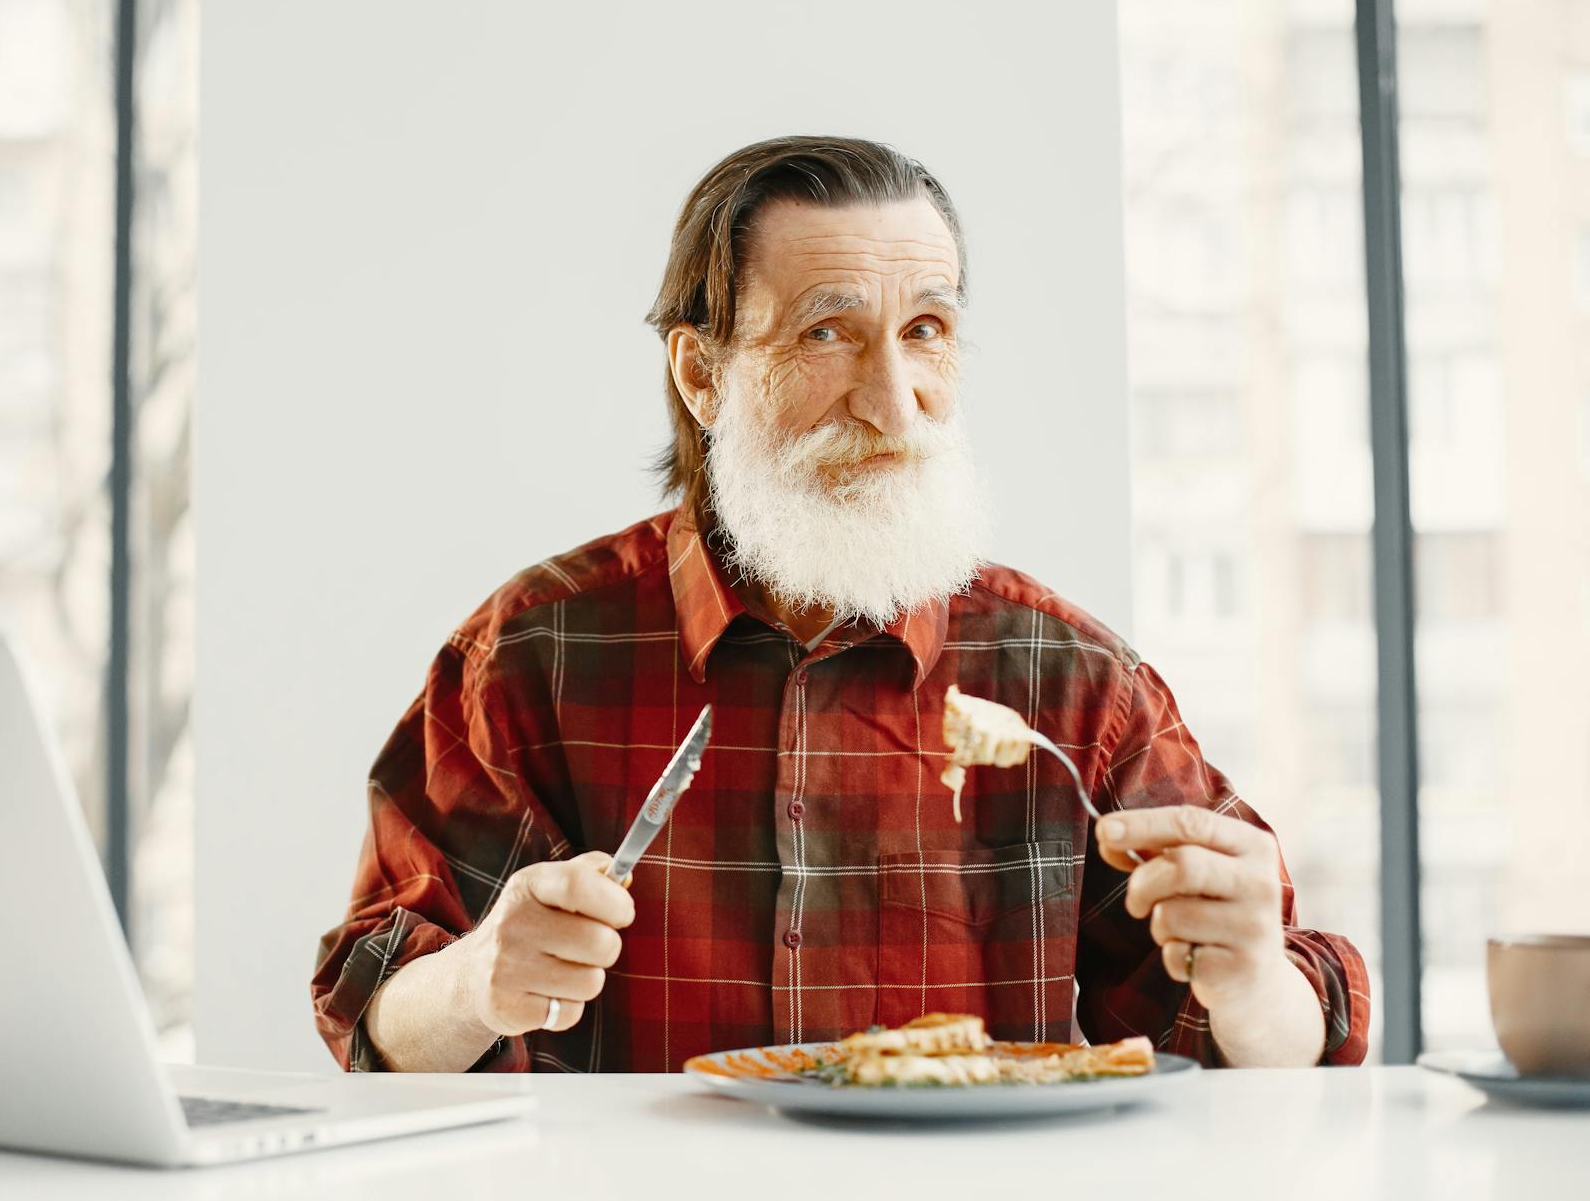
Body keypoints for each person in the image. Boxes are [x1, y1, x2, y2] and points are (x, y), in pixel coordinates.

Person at [312, 135, 1369, 1073]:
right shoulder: (530, 652)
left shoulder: (1073, 682)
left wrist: (1249, 987)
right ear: (699, 371)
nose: (892, 398)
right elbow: (370, 1012)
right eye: (828, 334)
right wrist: (473, 982)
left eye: (924, 328)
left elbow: (1262, 1035)